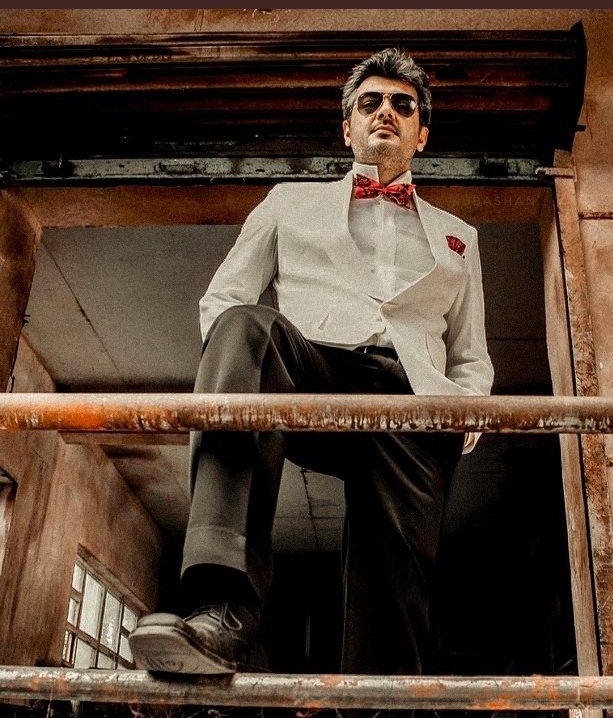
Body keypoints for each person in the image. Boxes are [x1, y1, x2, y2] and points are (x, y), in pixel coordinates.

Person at [129, 48, 493, 679]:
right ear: (347, 127)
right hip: (311, 369)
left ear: (422, 134)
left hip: (414, 402)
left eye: (402, 105)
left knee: (398, 580)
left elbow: (470, 354)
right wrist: (232, 373)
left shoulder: (460, 234)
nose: (386, 112)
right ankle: (221, 614)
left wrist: (464, 415)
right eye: (370, 103)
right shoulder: (286, 203)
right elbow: (224, 298)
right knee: (244, 326)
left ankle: (382, 696)